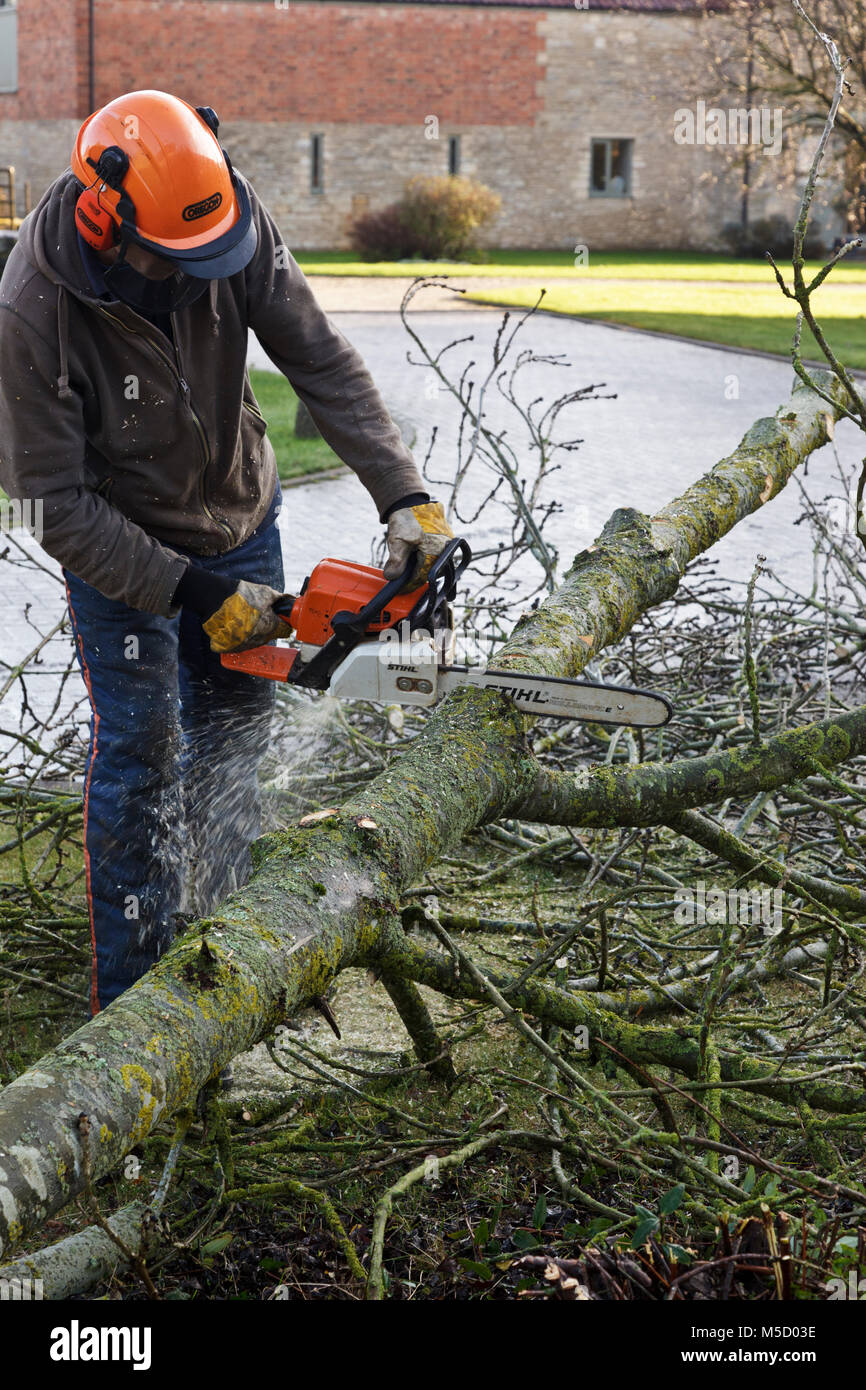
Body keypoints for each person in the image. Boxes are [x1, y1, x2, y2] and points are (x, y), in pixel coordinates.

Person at [0, 89, 453, 1015]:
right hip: (120, 555)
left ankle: (228, 964)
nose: (201, 272)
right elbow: (48, 510)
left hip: (242, 513)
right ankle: (132, 1008)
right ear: (105, 214)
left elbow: (317, 358)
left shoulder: (222, 213)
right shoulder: (31, 309)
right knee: (143, 748)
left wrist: (405, 497)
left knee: (237, 733)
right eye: (178, 261)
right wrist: (188, 590)